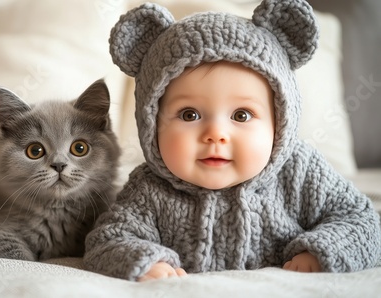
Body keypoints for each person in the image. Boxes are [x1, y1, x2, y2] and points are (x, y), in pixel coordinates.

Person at [83, 0, 381, 281]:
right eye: (189, 115)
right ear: (150, 122)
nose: (216, 134)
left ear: (280, 124)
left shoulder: (301, 173)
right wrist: (145, 259)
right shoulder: (149, 188)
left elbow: (364, 223)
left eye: (241, 115)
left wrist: (321, 250)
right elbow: (107, 240)